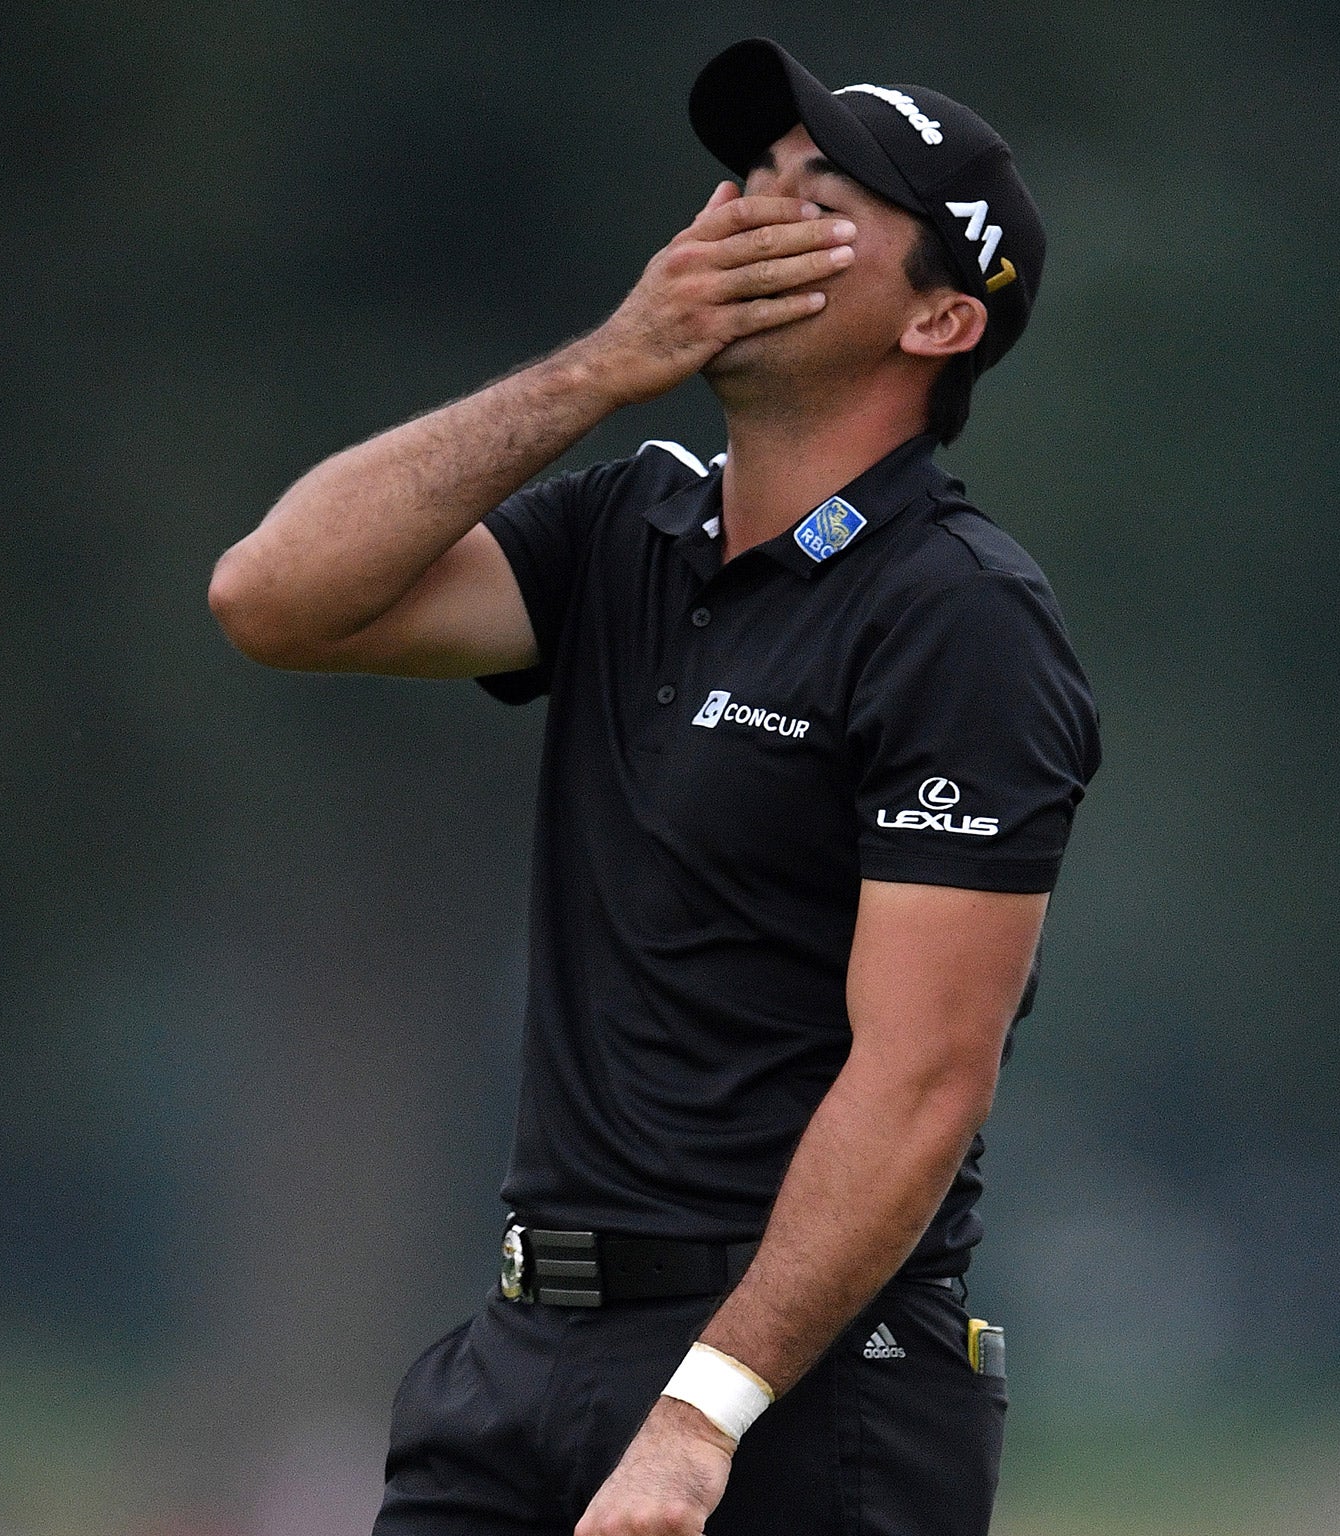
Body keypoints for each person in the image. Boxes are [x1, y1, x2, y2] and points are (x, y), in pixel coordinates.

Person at [207, 36, 1100, 1536]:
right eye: (751, 179)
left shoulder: (959, 618)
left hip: (799, 1395)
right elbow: (275, 595)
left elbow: (925, 1077)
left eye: (822, 202)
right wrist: (609, 364)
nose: (749, 209)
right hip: (521, 1360)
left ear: (941, 316)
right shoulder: (636, 528)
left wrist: (703, 1417)